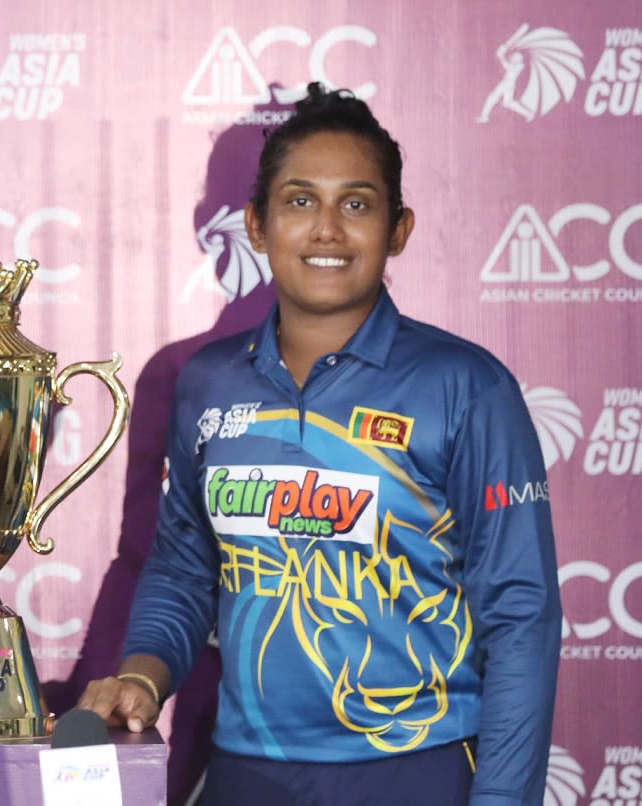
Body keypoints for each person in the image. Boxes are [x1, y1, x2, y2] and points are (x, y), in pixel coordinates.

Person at [79, 83, 561, 805]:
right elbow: (183, 569)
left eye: (357, 204)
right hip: (247, 771)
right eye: (301, 201)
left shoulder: (467, 387)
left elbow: (521, 619)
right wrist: (144, 675)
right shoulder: (206, 384)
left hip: (419, 770)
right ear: (256, 223)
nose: (328, 229)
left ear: (398, 229)